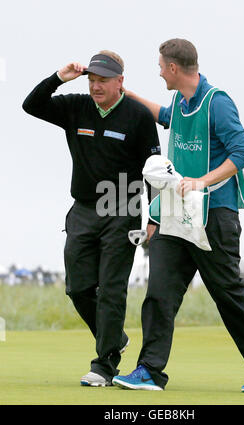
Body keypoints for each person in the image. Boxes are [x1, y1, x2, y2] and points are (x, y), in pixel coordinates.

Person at [112, 39, 244, 393]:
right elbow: (166, 117)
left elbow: (243, 152)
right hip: (176, 217)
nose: (159, 72)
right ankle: (149, 370)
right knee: (159, 292)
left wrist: (201, 181)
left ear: (174, 68)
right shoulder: (182, 101)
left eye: (161, 66)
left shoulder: (217, 102)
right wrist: (126, 95)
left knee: (227, 293)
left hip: (215, 215)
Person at [22, 50, 160, 387]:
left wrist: (153, 216)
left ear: (120, 82)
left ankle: (104, 365)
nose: (96, 87)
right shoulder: (76, 107)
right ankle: (113, 337)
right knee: (78, 287)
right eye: (92, 80)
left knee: (112, 288)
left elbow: (153, 171)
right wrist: (59, 77)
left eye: (103, 81)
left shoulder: (138, 115)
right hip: (83, 208)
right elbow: (31, 105)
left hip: (122, 209)